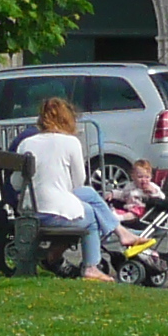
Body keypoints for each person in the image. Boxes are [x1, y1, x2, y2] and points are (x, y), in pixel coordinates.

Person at [18, 96, 118, 281]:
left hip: (29, 210)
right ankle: (91, 267)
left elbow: (17, 183)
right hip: (54, 214)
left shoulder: (27, 143)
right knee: (89, 214)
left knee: (87, 197)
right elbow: (79, 181)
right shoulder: (71, 143)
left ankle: (119, 231)